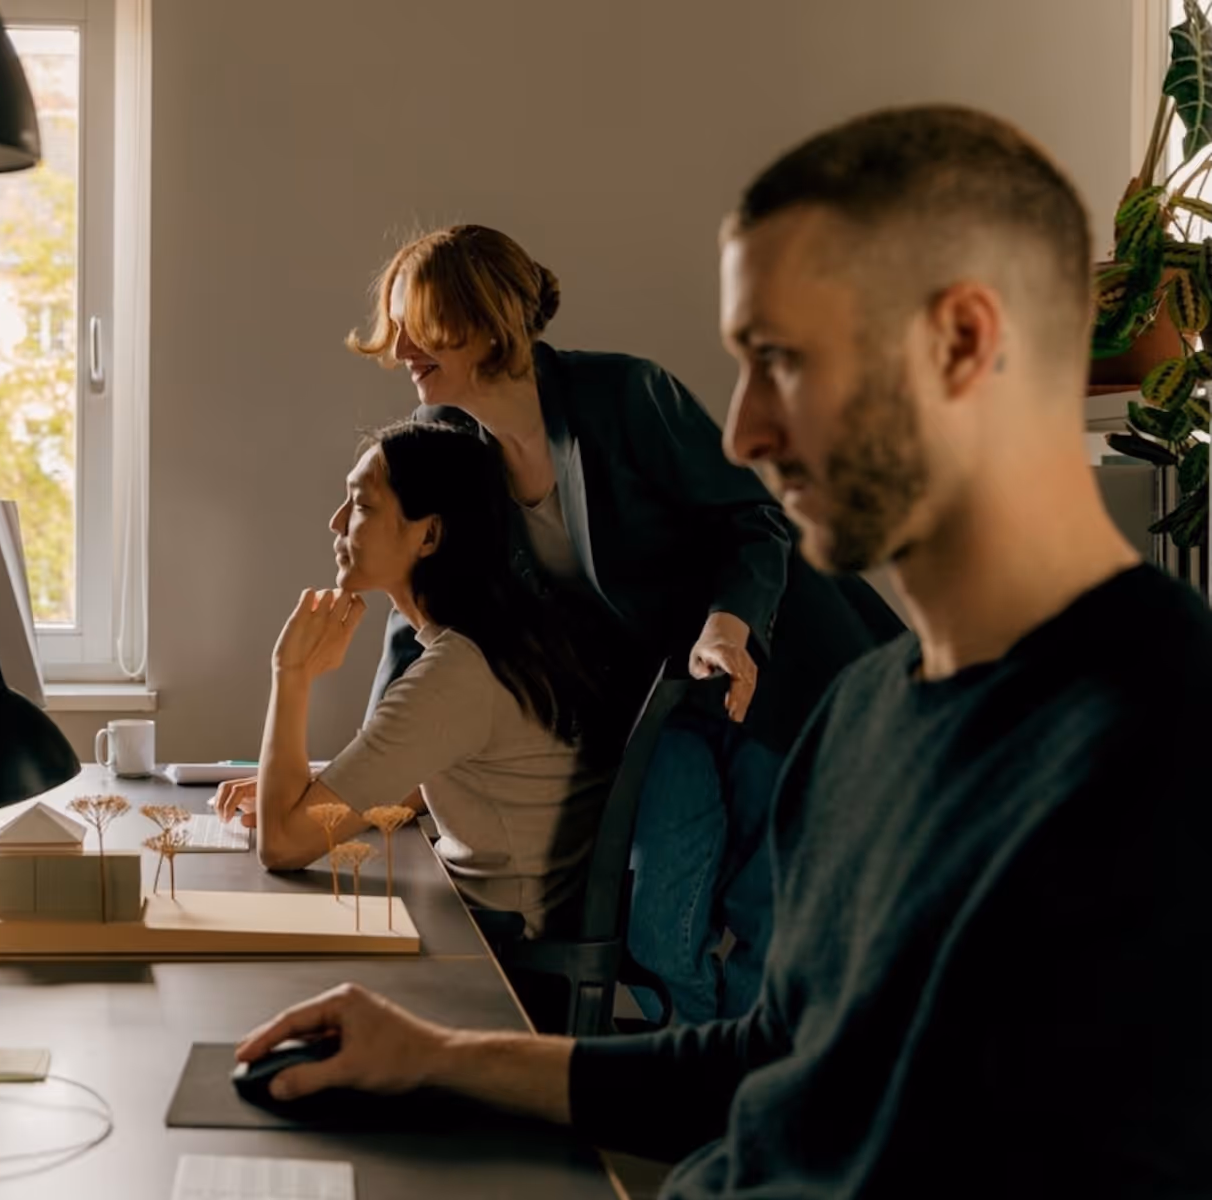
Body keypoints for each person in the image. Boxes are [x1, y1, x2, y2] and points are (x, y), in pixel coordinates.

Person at [233, 105, 1212, 1196]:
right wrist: (436, 1058)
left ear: (963, 340)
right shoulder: (863, 716)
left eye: (779, 361)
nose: (741, 431)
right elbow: (770, 1069)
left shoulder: (1159, 736)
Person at [349, 224, 899, 1023]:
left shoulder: (623, 396)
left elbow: (754, 522)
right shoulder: (455, 445)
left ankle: (750, 1102)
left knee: (767, 905)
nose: (397, 347)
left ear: (483, 321)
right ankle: (695, 1080)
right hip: (664, 701)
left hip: (772, 668)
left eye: (416, 325)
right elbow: (431, 606)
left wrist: (727, 624)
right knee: (661, 920)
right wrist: (365, 772)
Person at [214, 420, 617, 941]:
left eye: (361, 505)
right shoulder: (500, 638)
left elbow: (283, 846)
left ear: (428, 534)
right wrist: (314, 789)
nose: (336, 522)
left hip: (500, 955)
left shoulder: (457, 673)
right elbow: (429, 780)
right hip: (483, 920)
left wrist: (290, 674)